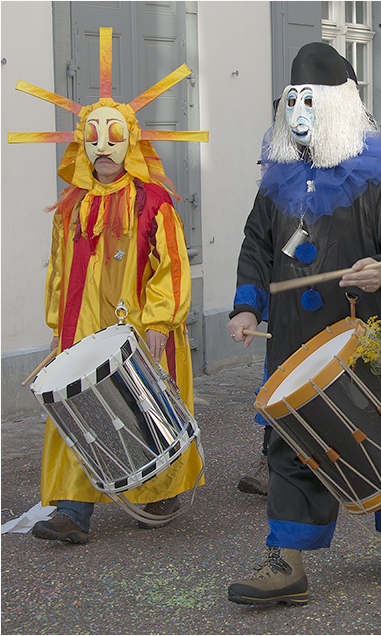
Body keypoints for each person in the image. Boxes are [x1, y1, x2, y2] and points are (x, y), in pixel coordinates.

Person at [226, 44, 381, 605]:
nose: (298, 114)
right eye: (292, 102)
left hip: (365, 325)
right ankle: (286, 562)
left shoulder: (375, 172)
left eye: (309, 102)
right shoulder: (277, 177)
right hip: (296, 330)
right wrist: (248, 304)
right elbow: (257, 244)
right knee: (293, 437)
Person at [6, 27, 207, 545]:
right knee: (78, 405)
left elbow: (172, 266)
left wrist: (162, 318)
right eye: (92, 138)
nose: (102, 149)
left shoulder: (151, 202)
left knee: (141, 404)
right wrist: (57, 328)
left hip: (136, 325)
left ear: (130, 142)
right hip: (80, 327)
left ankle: (157, 489)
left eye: (112, 139)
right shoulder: (70, 207)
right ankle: (74, 509)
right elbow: (57, 270)